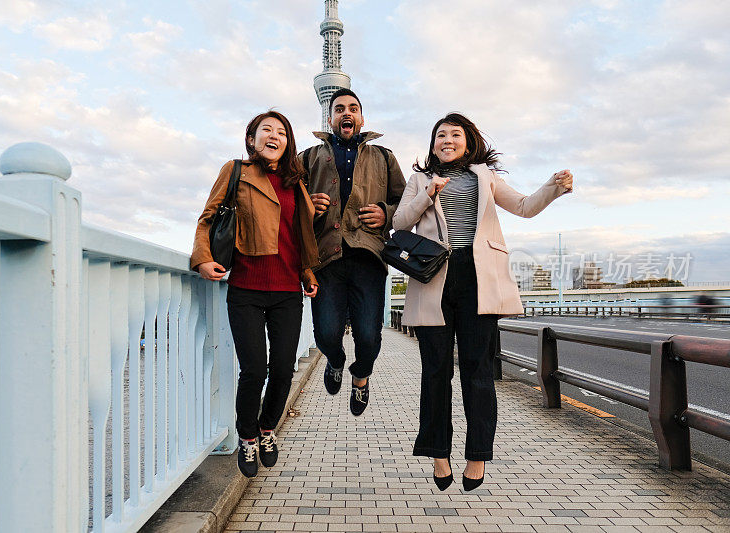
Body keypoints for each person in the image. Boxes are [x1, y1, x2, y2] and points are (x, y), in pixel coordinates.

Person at [392, 113, 573, 491]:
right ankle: (438, 453)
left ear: (468, 141)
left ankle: (477, 456)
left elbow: (524, 207)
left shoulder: (486, 176)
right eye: (440, 134)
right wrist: (428, 194)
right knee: (436, 372)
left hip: (478, 277)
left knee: (478, 372)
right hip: (433, 279)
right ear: (432, 144)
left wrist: (552, 187)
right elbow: (400, 223)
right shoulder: (418, 180)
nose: (447, 139)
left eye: (455, 134)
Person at [191, 111, 320, 478]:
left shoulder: (296, 182)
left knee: (281, 370)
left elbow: (298, 236)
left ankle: (267, 429)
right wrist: (202, 258)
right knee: (254, 369)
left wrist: (307, 272)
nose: (274, 136)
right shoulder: (236, 172)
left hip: (286, 289)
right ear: (251, 139)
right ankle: (246, 435)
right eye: (266, 130)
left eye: (281, 132)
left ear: (287, 143)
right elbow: (208, 218)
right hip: (246, 286)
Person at [300, 88, 405, 416]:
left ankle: (361, 376)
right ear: (330, 119)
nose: (347, 113)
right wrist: (308, 206)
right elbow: (288, 204)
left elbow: (407, 201)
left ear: (361, 118)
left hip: (368, 256)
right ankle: (334, 360)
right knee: (327, 333)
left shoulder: (384, 157)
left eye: (353, 108)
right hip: (325, 257)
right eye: (340, 109)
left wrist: (386, 213)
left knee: (369, 337)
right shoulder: (308, 157)